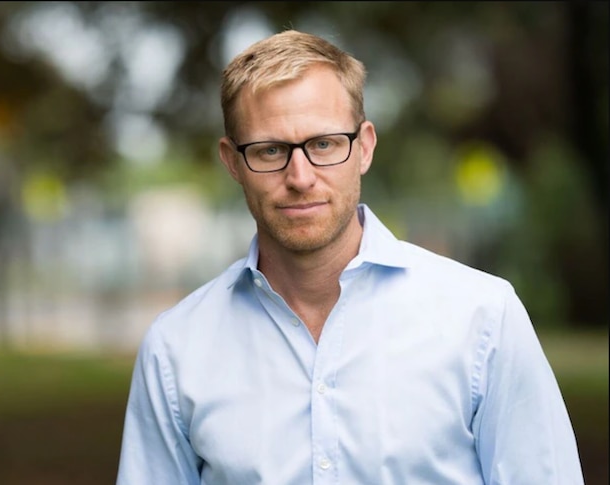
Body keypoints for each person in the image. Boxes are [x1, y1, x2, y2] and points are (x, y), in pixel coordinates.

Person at [116, 29, 584, 484]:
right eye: (270, 149)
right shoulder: (175, 350)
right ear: (233, 161)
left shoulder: (482, 318)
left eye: (324, 144)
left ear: (364, 147)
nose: (300, 176)